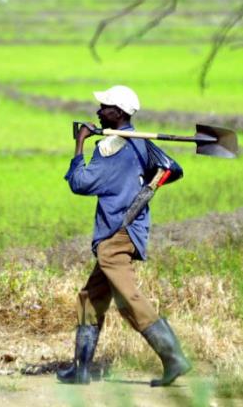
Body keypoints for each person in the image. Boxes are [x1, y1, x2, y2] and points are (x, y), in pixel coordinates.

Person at [58, 85, 191, 387]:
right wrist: (143, 187)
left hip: (115, 234)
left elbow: (80, 183)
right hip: (128, 229)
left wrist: (79, 145)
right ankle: (80, 369)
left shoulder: (110, 149)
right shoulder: (141, 144)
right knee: (90, 299)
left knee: (130, 299)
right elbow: (172, 169)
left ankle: (173, 357)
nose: (98, 111)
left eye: (104, 107)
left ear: (117, 113)